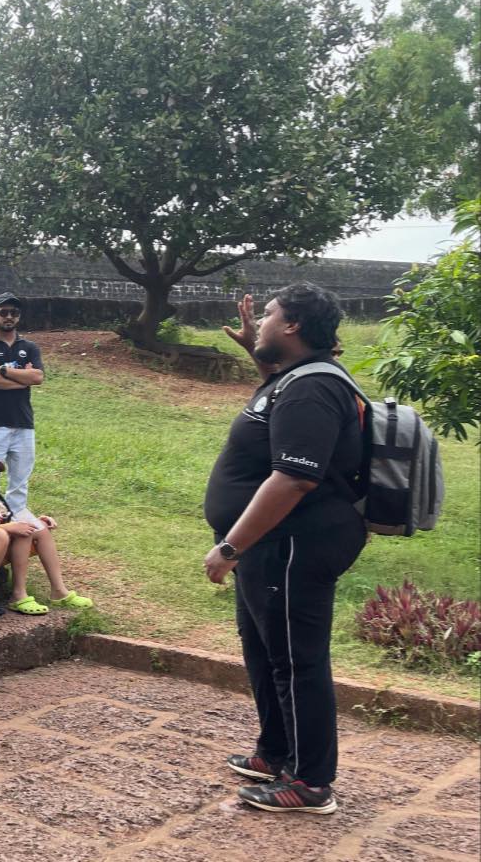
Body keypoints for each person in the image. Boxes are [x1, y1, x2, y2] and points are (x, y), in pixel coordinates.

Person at [204, 285, 368, 814]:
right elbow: (275, 392)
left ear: (293, 326)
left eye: (271, 315)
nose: (264, 320)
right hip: (273, 547)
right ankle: (276, 753)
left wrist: (231, 546)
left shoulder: (313, 389)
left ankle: (311, 782)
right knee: (264, 650)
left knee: (297, 661)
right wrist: (255, 345)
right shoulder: (293, 380)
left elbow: (294, 478)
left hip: (296, 543)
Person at [0, 454, 91, 615]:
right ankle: (18, 594)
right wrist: (13, 526)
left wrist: (37, 520)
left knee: (39, 528)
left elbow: (7, 519)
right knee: (23, 531)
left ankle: (59, 590)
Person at [0, 292, 44, 516]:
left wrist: (2, 370)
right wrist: (22, 378)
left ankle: (15, 523)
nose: (9, 317)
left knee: (20, 483)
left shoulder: (29, 347)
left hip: (23, 423)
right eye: (4, 312)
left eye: (14, 313)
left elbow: (38, 377)